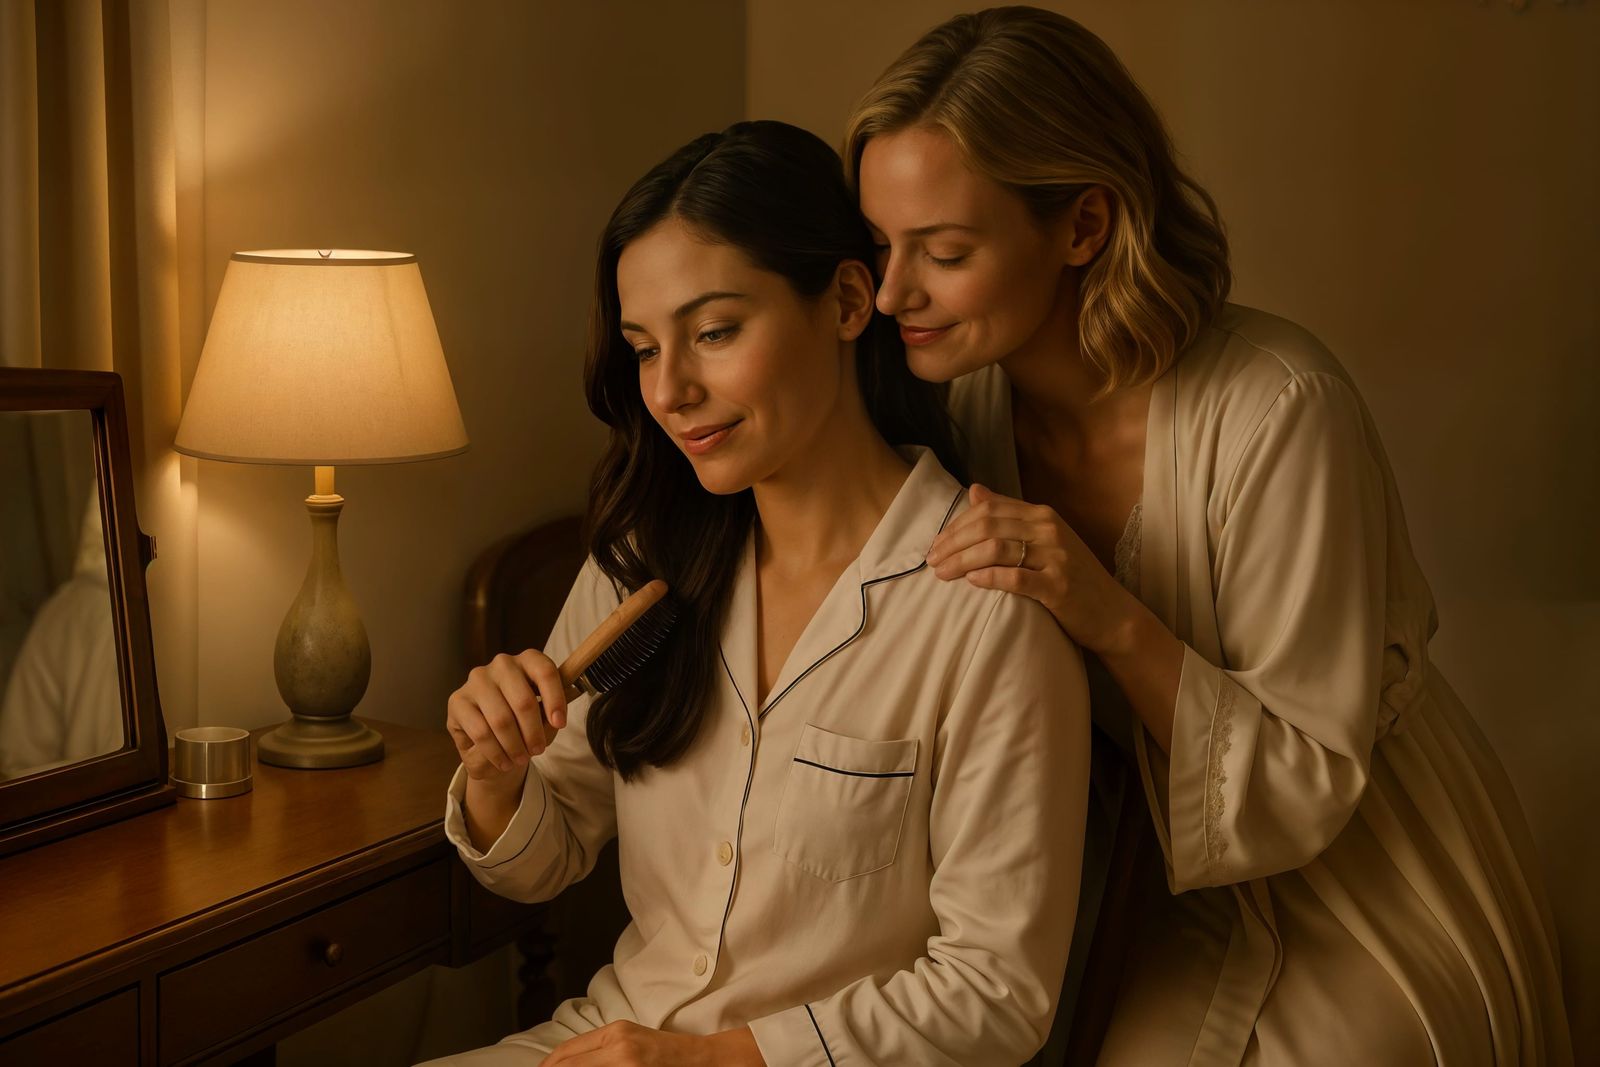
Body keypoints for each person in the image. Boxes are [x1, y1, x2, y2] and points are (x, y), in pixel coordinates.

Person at [846, 7, 1572, 1065]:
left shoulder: (1281, 406)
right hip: (1129, 880)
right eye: (877, 245)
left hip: (1358, 875)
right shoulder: (954, 419)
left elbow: (1308, 775)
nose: (893, 292)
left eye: (944, 250)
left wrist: (1101, 606)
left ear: (1083, 226)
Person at [426, 120, 1090, 1066]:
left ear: (850, 300)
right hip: (602, 1045)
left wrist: (710, 1058)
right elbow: (544, 857)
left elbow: (995, 994)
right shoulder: (643, 559)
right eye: (645, 348)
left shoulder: (985, 612)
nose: (670, 391)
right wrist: (495, 766)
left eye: (714, 332)